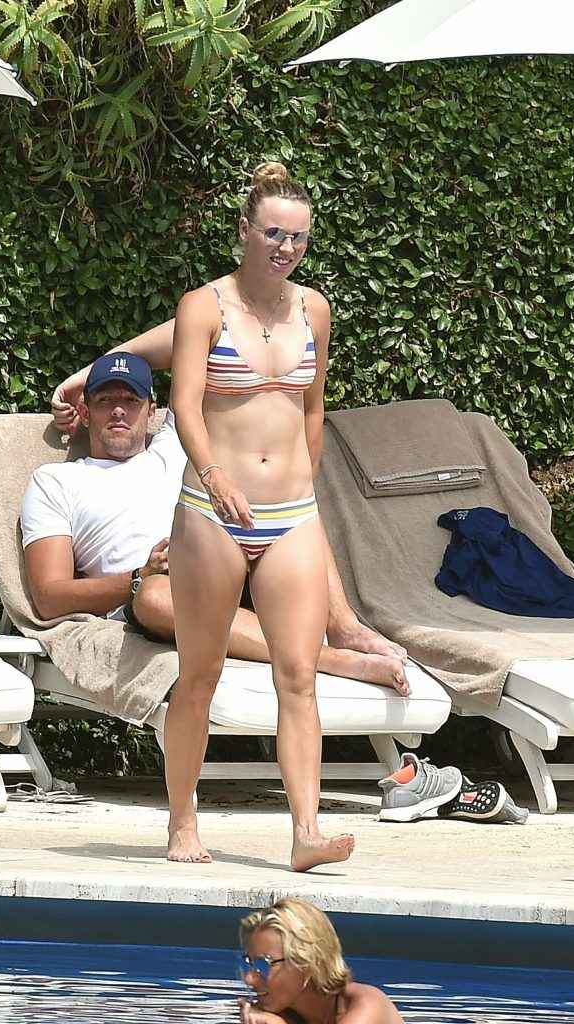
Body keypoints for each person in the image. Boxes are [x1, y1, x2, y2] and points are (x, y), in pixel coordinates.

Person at [166, 162, 360, 871]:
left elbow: (312, 407)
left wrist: (307, 487)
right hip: (211, 511)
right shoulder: (204, 307)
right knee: (200, 674)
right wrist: (213, 475)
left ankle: (306, 831)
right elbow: (185, 403)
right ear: (246, 230)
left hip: (291, 514)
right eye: (274, 233)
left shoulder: (313, 309)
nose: (286, 248)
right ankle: (182, 821)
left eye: (298, 238)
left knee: (299, 674)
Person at [23, 352, 409, 693]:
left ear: (153, 410)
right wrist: (138, 576)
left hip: (235, 567)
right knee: (155, 596)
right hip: (159, 596)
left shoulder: (178, 441)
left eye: (131, 400)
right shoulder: (56, 480)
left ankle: (342, 627)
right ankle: (332, 660)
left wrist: (85, 372)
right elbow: (48, 596)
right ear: (85, 412)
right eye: (105, 400)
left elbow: (210, 330)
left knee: (286, 499)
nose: (119, 410)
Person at [237, 898, 404, 1024]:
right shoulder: (281, 1012)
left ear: (307, 962)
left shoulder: (367, 1005)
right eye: (250, 964)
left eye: (264, 964)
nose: (250, 979)